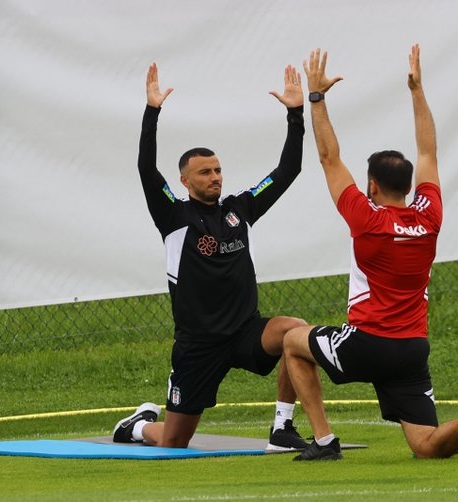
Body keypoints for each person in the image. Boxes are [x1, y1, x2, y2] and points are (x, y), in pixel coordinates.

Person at [283, 45, 458, 461]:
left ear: (374, 186)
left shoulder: (368, 218)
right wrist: (417, 91)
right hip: (412, 350)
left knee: (293, 340)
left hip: (368, 343)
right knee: (426, 446)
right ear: (408, 185)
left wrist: (317, 96)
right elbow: (428, 153)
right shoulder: (430, 215)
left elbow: (329, 158)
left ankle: (325, 441)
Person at [111, 62, 310, 451]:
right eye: (204, 172)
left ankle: (282, 428)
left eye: (218, 169)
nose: (215, 177)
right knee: (173, 442)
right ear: (185, 181)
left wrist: (295, 114)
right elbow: (145, 169)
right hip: (199, 344)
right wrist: (152, 111)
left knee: (294, 330)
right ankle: (135, 427)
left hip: (244, 331)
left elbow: (289, 170)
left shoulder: (239, 210)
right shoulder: (174, 216)